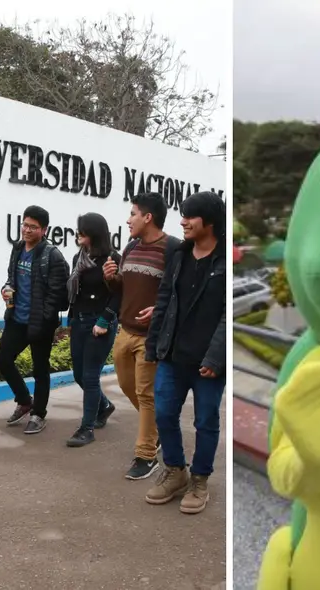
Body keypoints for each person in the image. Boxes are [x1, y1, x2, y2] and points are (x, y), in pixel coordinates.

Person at [143, 191, 226, 515]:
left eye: (190, 216)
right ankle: (176, 471)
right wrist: (153, 346)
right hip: (173, 355)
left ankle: (200, 479)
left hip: (208, 363)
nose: (183, 222)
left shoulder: (227, 261)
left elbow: (228, 315)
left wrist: (215, 357)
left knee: (205, 421)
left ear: (209, 221)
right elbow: (164, 299)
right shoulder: (179, 255)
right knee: (164, 414)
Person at [103, 192, 182, 480]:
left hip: (152, 336)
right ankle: (157, 431)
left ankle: (146, 455)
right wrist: (111, 278)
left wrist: (159, 309)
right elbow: (123, 288)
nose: (128, 219)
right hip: (125, 331)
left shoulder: (173, 249)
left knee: (145, 395)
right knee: (127, 386)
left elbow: (181, 292)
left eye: (133, 214)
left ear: (148, 217)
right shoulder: (131, 247)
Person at [0, 205, 70, 434]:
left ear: (44, 230)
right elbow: (11, 278)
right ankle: (24, 400)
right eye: (25, 225)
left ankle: (38, 414)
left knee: (40, 369)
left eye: (33, 227)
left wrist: (46, 318)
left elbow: (57, 294)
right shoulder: (18, 248)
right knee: (3, 360)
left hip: (40, 323)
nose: (27, 230)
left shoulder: (52, 256)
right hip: (16, 318)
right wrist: (6, 289)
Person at [65, 212, 122, 448]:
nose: (78, 233)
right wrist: (70, 319)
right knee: (79, 375)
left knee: (89, 377)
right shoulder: (79, 257)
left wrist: (104, 320)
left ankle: (86, 429)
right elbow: (76, 293)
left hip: (99, 323)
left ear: (94, 233)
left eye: (83, 230)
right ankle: (104, 406)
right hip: (79, 321)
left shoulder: (112, 259)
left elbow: (119, 293)